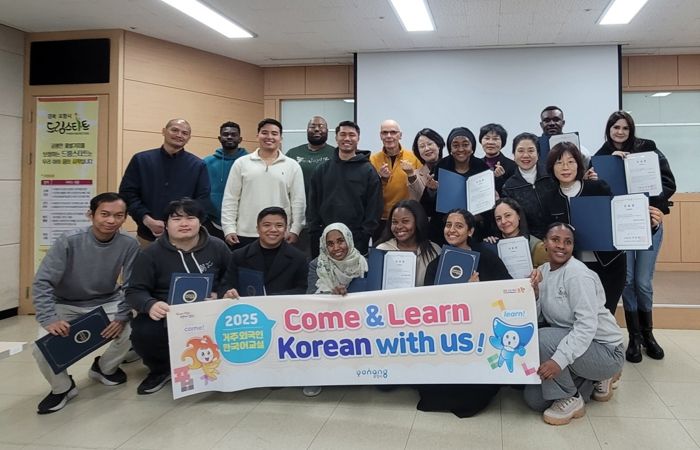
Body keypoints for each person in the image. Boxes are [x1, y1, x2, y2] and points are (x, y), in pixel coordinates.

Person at [32, 192, 139, 414]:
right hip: (65, 302)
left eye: (118, 215)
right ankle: (62, 388)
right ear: (91, 214)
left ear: (125, 217)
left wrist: (121, 316)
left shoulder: (129, 243)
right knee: (42, 348)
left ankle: (104, 368)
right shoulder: (69, 240)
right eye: (104, 214)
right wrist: (49, 318)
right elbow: (43, 281)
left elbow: (131, 284)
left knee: (132, 330)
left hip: (107, 300)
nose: (111, 220)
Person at [126, 198, 230, 395]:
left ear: (200, 221)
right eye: (176, 219)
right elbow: (134, 290)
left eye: (190, 218)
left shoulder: (218, 247)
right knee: (143, 331)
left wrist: (221, 295)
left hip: (210, 309)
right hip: (168, 313)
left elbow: (231, 278)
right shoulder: (151, 254)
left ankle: (223, 365)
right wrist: (150, 304)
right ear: (166, 224)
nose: (184, 223)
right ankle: (161, 370)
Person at [523, 223, 624, 426]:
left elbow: (586, 327)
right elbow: (538, 317)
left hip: (605, 350)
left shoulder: (578, 275)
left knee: (543, 338)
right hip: (577, 346)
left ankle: (571, 398)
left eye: (567, 242)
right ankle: (591, 380)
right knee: (534, 399)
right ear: (545, 243)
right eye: (555, 240)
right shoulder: (542, 271)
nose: (561, 246)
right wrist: (535, 295)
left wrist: (558, 361)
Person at [595, 110, 676, 362]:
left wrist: (653, 206)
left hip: (648, 223)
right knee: (627, 280)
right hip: (622, 227)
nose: (620, 132)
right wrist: (609, 167)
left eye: (625, 128)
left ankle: (649, 335)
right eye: (615, 127)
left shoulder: (647, 148)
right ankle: (634, 337)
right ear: (608, 129)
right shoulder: (600, 157)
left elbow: (668, 183)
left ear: (631, 130)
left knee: (643, 282)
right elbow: (597, 193)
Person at [419, 208, 511, 418]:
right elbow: (429, 304)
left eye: (459, 226)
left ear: (470, 231)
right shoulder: (435, 265)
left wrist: (477, 292)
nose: (451, 230)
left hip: (481, 332)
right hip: (448, 333)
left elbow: (505, 291)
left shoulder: (487, 258)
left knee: (472, 396)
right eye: (448, 225)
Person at [544, 142, 626, 315]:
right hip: (571, 268)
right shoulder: (549, 198)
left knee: (604, 315)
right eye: (559, 163)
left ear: (579, 165)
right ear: (552, 167)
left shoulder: (597, 188)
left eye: (571, 161)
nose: (565, 167)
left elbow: (620, 220)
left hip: (608, 264)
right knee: (579, 316)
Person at [119, 118, 210, 247]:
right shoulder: (141, 160)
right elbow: (127, 193)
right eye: (175, 130)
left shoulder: (198, 165)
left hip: (185, 238)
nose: (179, 135)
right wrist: (146, 219)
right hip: (147, 234)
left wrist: (182, 223)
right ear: (163, 131)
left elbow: (203, 200)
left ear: (189, 138)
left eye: (184, 133)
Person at [304, 222, 368, 397]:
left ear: (349, 239)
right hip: (326, 318)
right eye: (330, 244)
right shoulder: (317, 264)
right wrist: (331, 294)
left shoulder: (363, 263)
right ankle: (316, 377)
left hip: (356, 319)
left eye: (340, 241)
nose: (336, 248)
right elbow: (311, 296)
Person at [220, 118, 305, 249]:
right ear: (257, 136)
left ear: (281, 138)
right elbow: (230, 198)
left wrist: (295, 230)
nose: (269, 137)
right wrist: (228, 228)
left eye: (274, 133)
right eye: (265, 133)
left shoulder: (292, 166)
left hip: (279, 233)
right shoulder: (241, 163)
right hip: (245, 233)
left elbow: (298, 201)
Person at [307, 120, 382, 257]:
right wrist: (315, 232)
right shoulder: (322, 170)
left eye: (352, 135)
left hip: (357, 240)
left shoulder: (368, 171)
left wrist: (365, 235)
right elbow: (313, 205)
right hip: (325, 239)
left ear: (358, 138)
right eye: (343, 134)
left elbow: (374, 208)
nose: (347, 138)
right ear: (336, 138)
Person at [221, 207, 308, 297]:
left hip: (284, 305)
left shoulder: (298, 258)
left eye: (279, 225)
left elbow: (303, 289)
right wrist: (229, 293)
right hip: (249, 305)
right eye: (267, 225)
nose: (273, 229)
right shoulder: (239, 256)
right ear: (258, 229)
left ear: (286, 229)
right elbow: (226, 286)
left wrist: (271, 299)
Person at [430, 127, 491, 244]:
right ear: (450, 148)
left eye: (465, 144)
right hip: (444, 228)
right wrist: (432, 190)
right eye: (455, 145)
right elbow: (429, 205)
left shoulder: (482, 167)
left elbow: (488, 208)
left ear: (472, 147)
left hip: (475, 228)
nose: (461, 149)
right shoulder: (441, 166)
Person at [286, 116, 336, 254]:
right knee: (297, 257)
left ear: (327, 131)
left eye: (321, 126)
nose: (317, 129)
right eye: (313, 126)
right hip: (297, 217)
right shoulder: (293, 153)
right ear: (307, 130)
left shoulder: (335, 153)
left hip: (324, 218)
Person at [370, 120, 423, 241]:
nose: (389, 136)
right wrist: (382, 179)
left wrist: (411, 174)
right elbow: (369, 193)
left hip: (408, 219)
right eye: (385, 133)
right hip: (381, 219)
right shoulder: (372, 160)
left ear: (400, 135)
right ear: (380, 136)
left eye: (393, 132)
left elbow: (421, 190)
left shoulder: (414, 158)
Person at [501, 132, 559, 239]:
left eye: (531, 150)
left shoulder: (552, 175)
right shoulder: (508, 187)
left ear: (538, 154)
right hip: (531, 240)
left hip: (559, 234)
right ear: (513, 154)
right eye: (521, 151)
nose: (525, 155)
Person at [375, 200, 440, 287]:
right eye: (394, 222)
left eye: (405, 221)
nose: (399, 226)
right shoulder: (381, 250)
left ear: (418, 222)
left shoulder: (435, 250)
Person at [203, 121, 249, 241]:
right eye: (225, 134)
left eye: (233, 134)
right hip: (213, 223)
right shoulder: (206, 163)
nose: (229, 137)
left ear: (240, 139)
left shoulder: (250, 162)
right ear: (219, 138)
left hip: (244, 224)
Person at [484, 198, 549, 268]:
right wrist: (487, 245)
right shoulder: (492, 245)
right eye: (498, 218)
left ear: (518, 216)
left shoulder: (536, 246)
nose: (503, 221)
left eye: (508, 215)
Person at [537, 106, 591, 172]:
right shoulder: (534, 149)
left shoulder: (581, 151)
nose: (552, 123)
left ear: (563, 123)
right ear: (541, 124)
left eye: (556, 120)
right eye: (547, 121)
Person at [479, 123, 516, 195]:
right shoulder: (475, 164)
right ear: (481, 141)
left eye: (495, 139)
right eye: (487, 138)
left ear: (502, 142)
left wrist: (500, 179)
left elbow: (514, 193)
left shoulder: (513, 166)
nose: (490, 142)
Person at [409, 127, 444, 202]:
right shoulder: (414, 177)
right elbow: (416, 202)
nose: (427, 149)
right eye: (422, 146)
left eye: (430, 144)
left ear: (438, 145)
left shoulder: (451, 167)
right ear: (418, 152)